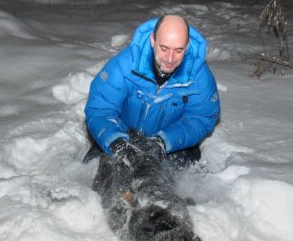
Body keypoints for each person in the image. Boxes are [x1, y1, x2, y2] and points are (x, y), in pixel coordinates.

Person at [84, 14, 220, 167]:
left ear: (187, 46)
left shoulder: (199, 77)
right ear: (152, 40)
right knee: (96, 179)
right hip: (122, 136)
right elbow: (100, 109)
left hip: (172, 145)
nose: (170, 59)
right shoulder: (124, 66)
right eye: (164, 48)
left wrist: (164, 142)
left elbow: (201, 118)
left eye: (178, 50)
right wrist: (115, 141)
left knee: (160, 186)